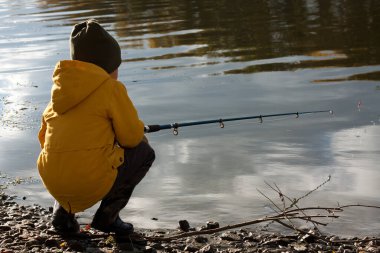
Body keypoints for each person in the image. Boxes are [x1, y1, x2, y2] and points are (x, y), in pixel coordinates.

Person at [37, 19, 155, 235]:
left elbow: (44, 139)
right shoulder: (111, 90)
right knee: (144, 151)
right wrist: (136, 129)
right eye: (116, 66)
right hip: (89, 183)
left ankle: (62, 215)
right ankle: (108, 217)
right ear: (108, 67)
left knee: (66, 152)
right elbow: (131, 138)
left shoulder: (58, 95)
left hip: (54, 182)